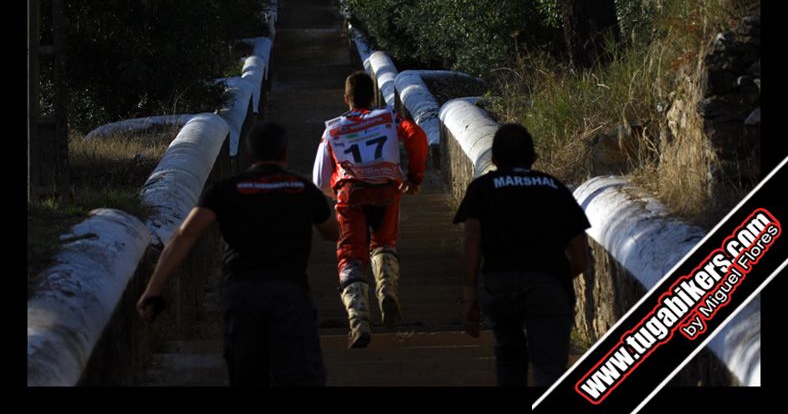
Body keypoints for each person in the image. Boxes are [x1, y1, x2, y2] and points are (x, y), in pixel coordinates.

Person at [137, 121, 339, 386]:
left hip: (241, 295)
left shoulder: (225, 190)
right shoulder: (303, 190)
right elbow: (332, 232)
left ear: (249, 156)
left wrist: (153, 288)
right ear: (285, 154)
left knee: (247, 374)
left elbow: (186, 234)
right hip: (289, 294)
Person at [453, 123, 590, 387]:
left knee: (508, 356)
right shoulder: (555, 188)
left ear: (493, 160)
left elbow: (472, 238)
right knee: (549, 368)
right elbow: (581, 258)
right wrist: (555, 278)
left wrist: (469, 296)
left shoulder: (482, 188)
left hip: (500, 286)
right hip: (548, 285)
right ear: (534, 159)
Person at [313, 71, 428, 349]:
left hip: (350, 193)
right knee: (384, 243)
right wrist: (414, 177)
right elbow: (417, 136)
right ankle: (387, 289)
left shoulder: (333, 129)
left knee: (350, 255)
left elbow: (318, 178)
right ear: (373, 97)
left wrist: (335, 193)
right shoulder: (389, 118)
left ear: (346, 99)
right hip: (387, 189)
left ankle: (359, 320)